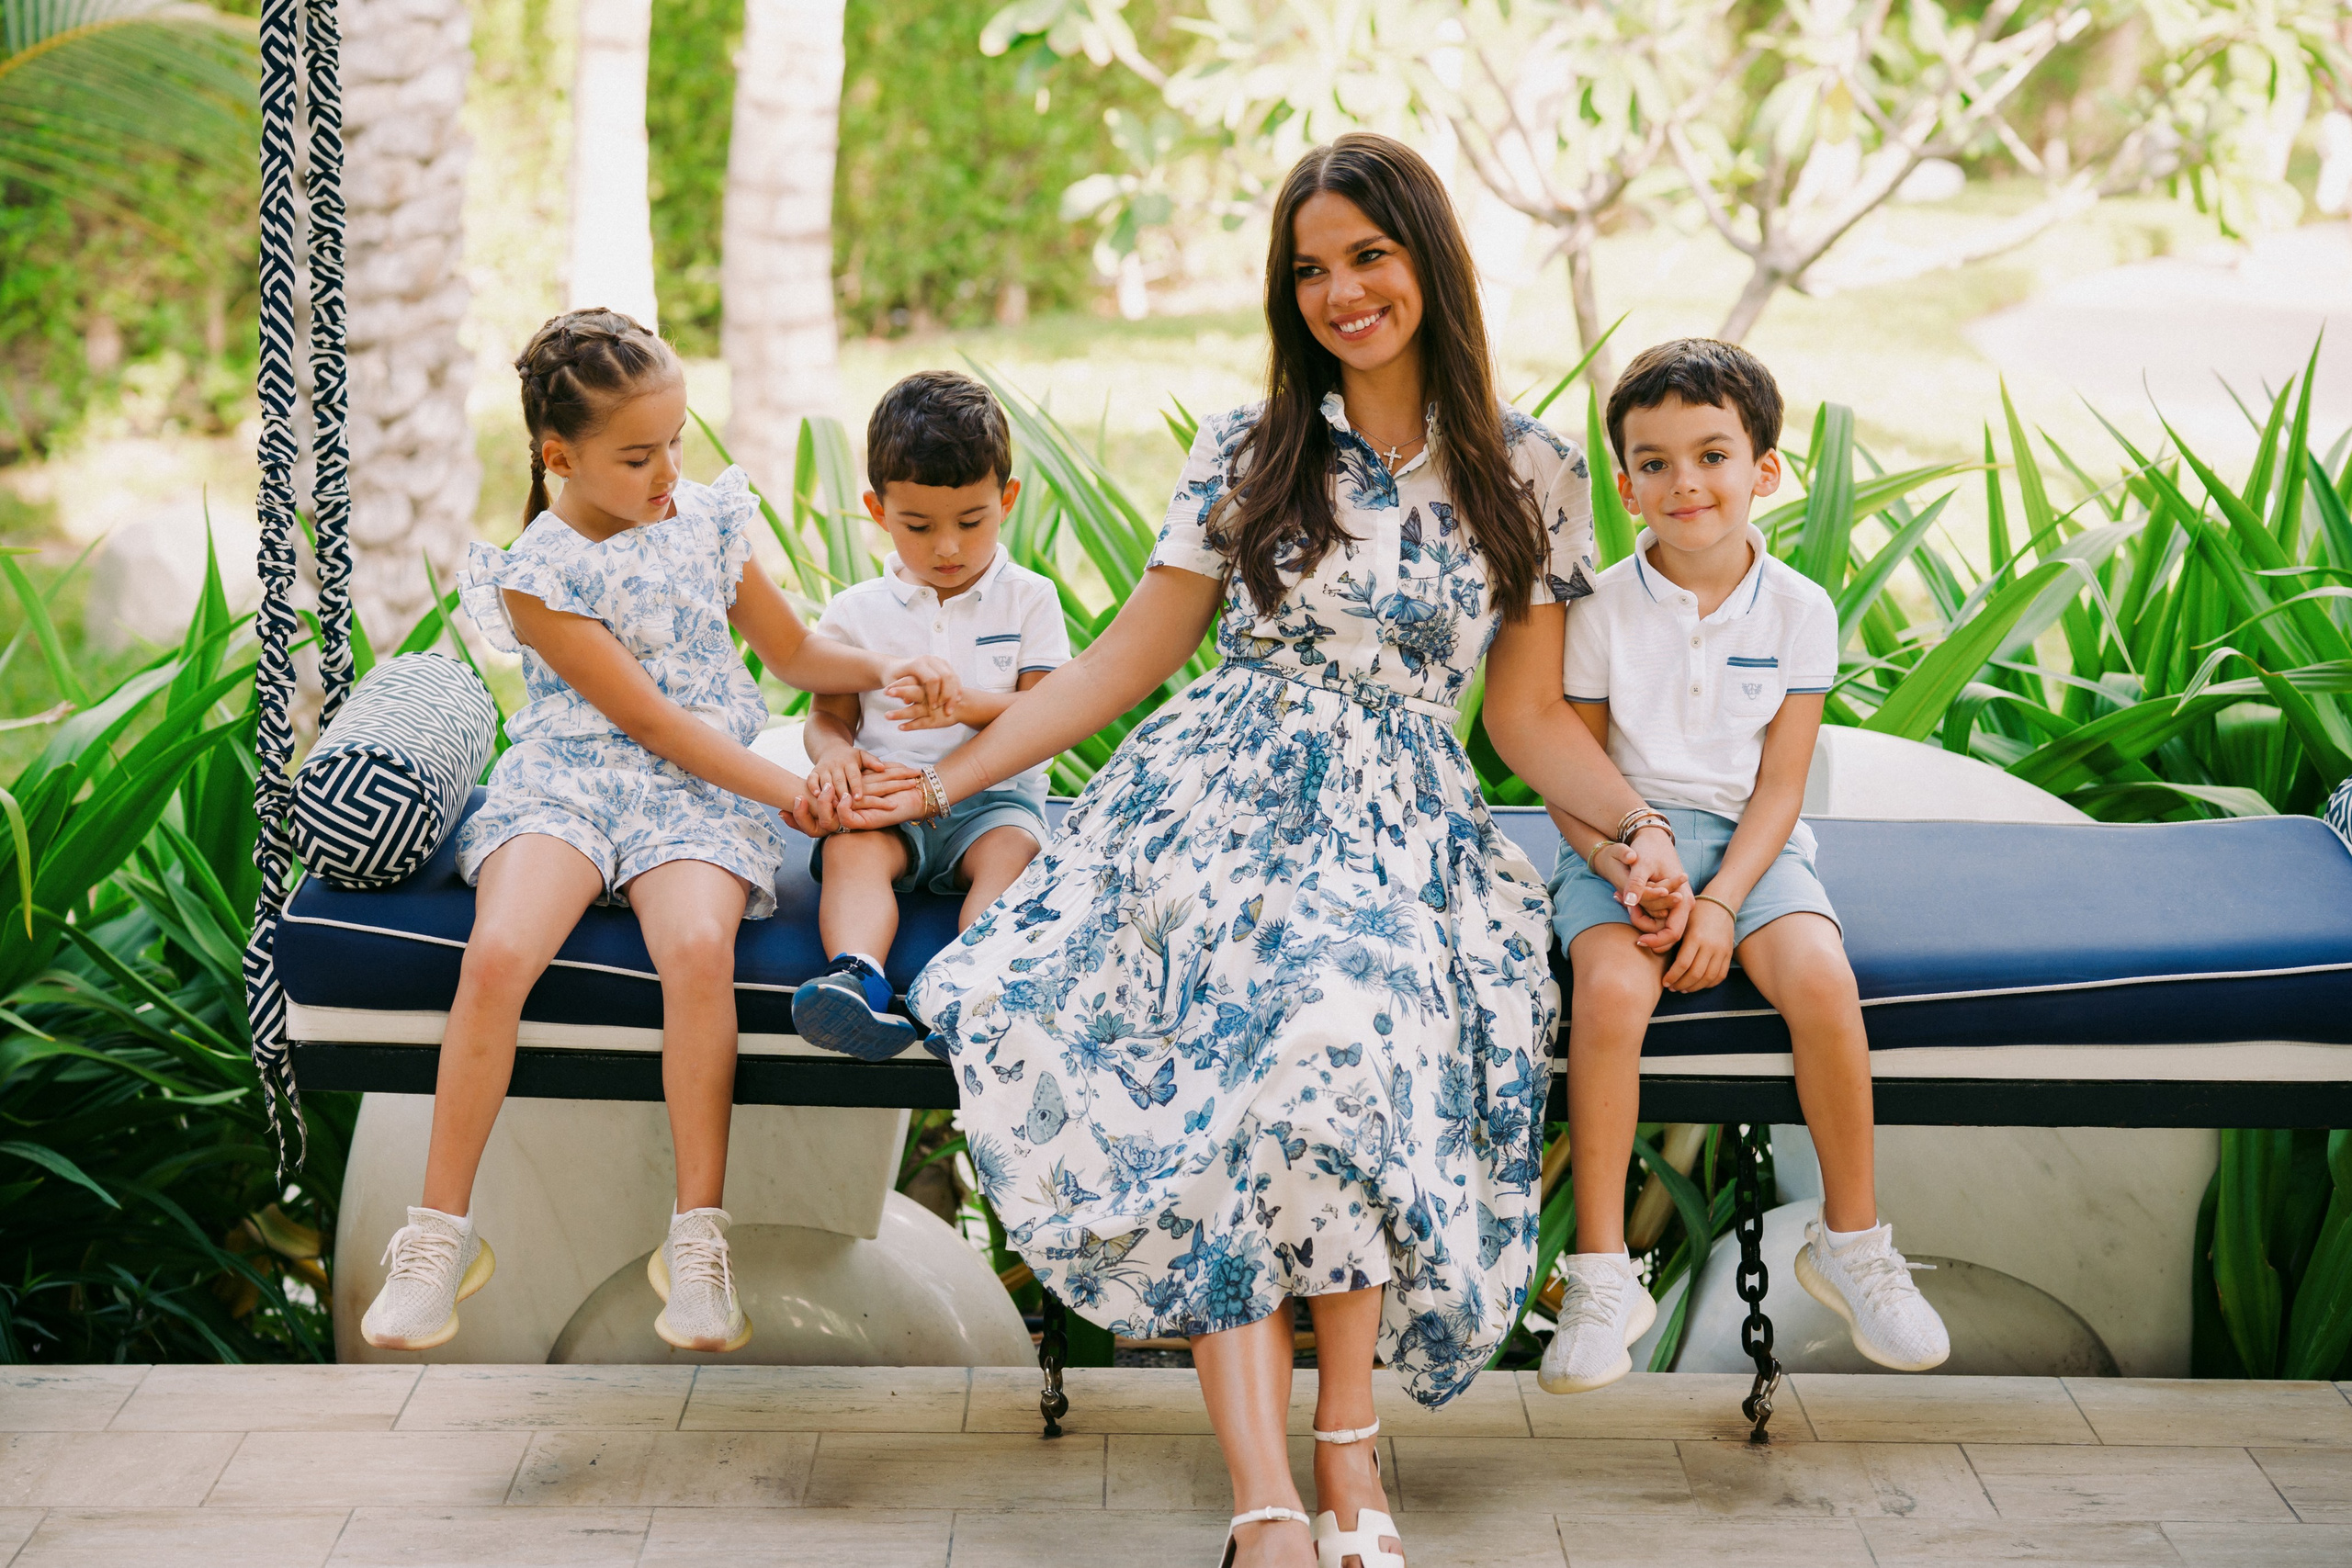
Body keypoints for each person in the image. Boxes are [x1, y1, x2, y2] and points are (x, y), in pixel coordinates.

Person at [856, 135, 1687, 1568]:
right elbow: (1128, 655)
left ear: (1429, 258)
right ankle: (1263, 1501)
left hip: (1403, 825)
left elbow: (1529, 713)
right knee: (1230, 1052)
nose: (1341, 291)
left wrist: (1638, 833)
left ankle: (1346, 1443)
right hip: (1209, 809)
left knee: (1341, 1035)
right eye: (1310, 268)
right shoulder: (1250, 447)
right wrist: (930, 787)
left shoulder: (1534, 469)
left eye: (1368, 254)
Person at [358, 308, 956, 1356]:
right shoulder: (538, 575)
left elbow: (793, 653)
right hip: (574, 779)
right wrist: (786, 793)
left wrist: (881, 671)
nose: (668, 470)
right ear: (559, 457)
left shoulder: (708, 522)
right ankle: (437, 1235)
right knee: (498, 954)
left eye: (677, 441)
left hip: (695, 794)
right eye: (638, 455)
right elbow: (648, 723)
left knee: (694, 950)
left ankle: (695, 1238)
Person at [1535, 337, 1950, 1396]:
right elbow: (1567, 771)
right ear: (1623, 484)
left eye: (1712, 455)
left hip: (1754, 853)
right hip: (1621, 847)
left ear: (1764, 469)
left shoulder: (1799, 610)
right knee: (1613, 992)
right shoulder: (1596, 607)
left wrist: (1721, 902)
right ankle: (1598, 1273)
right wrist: (1630, 862)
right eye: (1655, 462)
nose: (1686, 483)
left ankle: (1851, 1244)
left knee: (1821, 981)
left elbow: (1779, 789)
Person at [791, 371, 1070, 1059]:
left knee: (1009, 857)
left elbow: (1051, 714)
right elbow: (827, 716)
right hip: (889, 795)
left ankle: (972, 993)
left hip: (993, 803)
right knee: (853, 853)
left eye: (971, 522)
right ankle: (857, 978)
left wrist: (970, 705)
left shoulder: (1030, 600)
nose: (948, 548)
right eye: (918, 526)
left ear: (1006, 500)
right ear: (877, 511)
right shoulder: (855, 612)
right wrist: (833, 757)